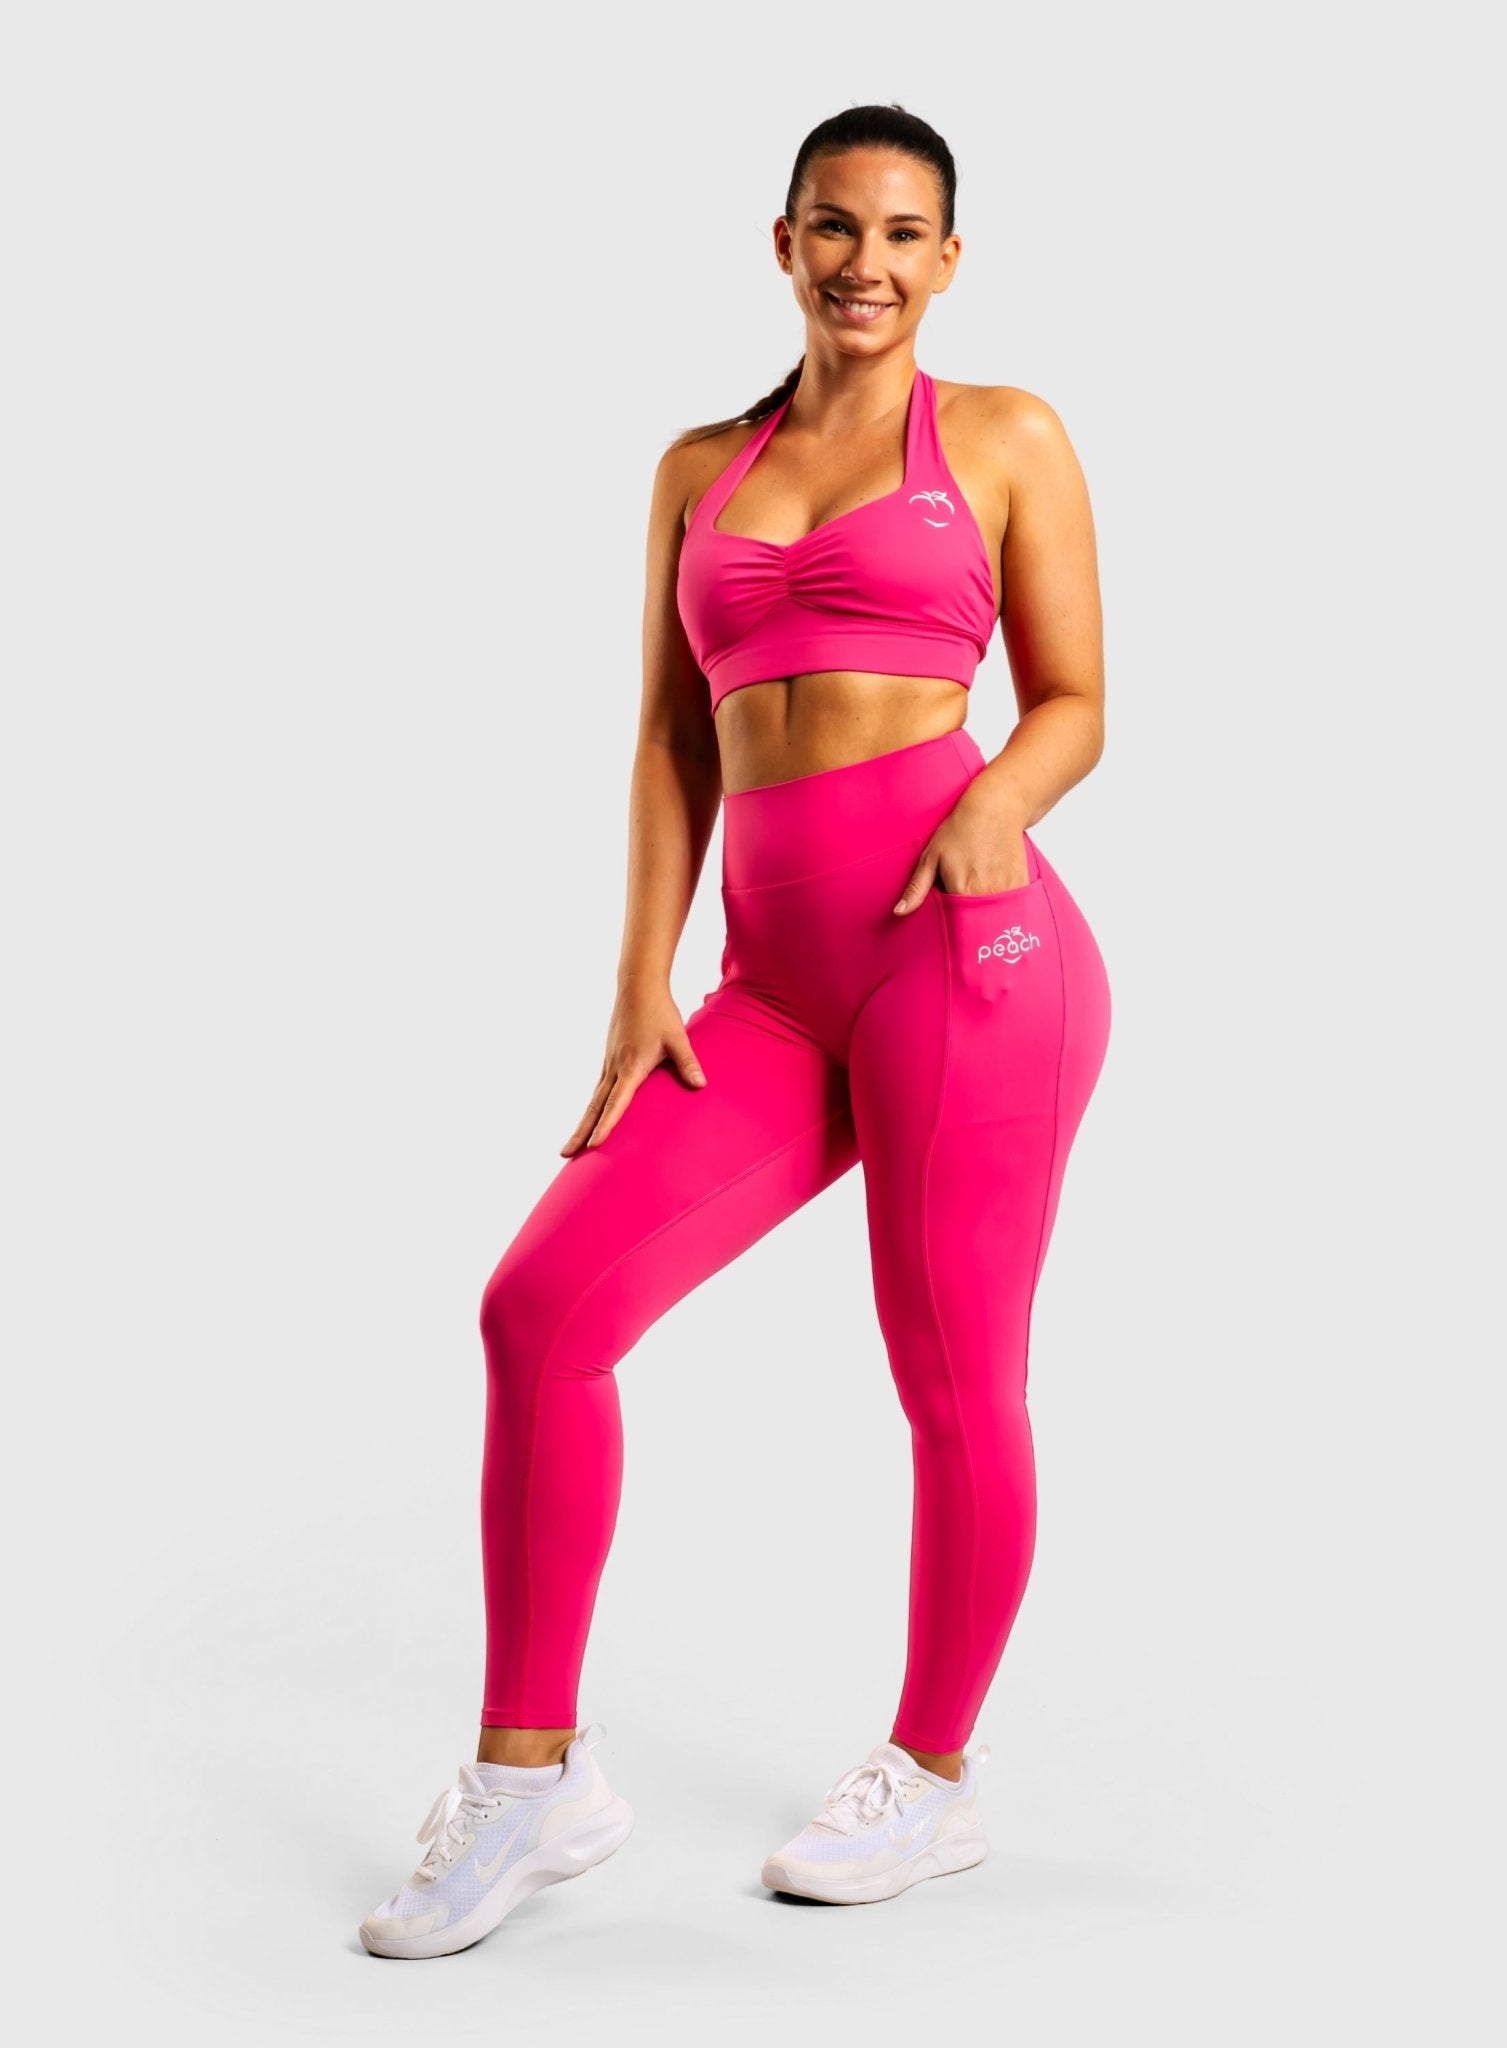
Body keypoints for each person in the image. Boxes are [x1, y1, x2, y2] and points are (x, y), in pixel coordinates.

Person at [359, 101, 1113, 1959]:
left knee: (951, 1377)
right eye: (834, 226)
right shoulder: (698, 467)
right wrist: (640, 980)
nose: (867, 262)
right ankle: (531, 1781)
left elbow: (1075, 698)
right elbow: (667, 734)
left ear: (949, 260)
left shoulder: (1004, 437)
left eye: (904, 233)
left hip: (967, 955)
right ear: (781, 242)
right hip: (767, 985)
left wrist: (999, 801)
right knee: (539, 1313)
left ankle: (929, 1776)